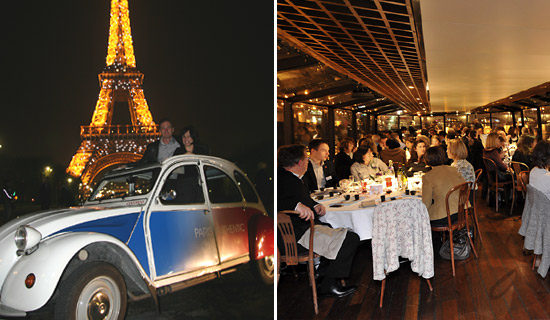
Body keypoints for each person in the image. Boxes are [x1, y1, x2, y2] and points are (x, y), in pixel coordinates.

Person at [277, 144, 359, 297]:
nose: (308, 161)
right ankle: (329, 284)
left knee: (333, 228)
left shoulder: (289, 177)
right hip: (294, 238)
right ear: (300, 163)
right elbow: (271, 200)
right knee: (350, 238)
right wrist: (295, 205)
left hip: (301, 231)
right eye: (306, 158)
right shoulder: (282, 179)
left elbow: (301, 200)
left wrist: (314, 205)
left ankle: (321, 275)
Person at [421, 146, 466, 228]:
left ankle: (432, 240)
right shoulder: (454, 169)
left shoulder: (427, 177)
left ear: (427, 159)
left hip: (444, 216)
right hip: (461, 211)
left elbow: (426, 203)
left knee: (422, 216)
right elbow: (464, 187)